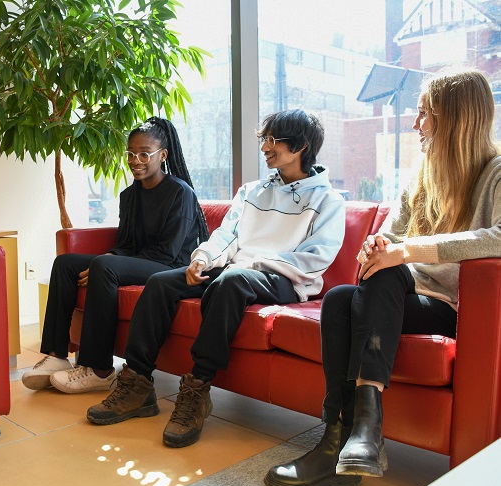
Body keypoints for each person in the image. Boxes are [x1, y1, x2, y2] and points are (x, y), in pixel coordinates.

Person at [264, 68, 501, 486]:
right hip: (394, 300)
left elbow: (498, 236)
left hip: (447, 308)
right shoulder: (421, 177)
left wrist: (405, 251)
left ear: (455, 118)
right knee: (338, 299)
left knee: (387, 272)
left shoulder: (496, 173)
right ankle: (339, 442)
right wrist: (374, 247)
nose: (415, 123)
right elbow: (389, 236)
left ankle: (367, 428)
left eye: (424, 113)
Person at [86, 109, 346, 448]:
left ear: (300, 146)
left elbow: (315, 259)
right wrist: (202, 259)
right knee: (163, 281)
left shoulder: (328, 199)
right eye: (263, 139)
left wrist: (254, 265)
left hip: (284, 280)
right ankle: (137, 384)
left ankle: (197, 390)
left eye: (272, 140)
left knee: (233, 279)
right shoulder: (252, 190)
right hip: (235, 271)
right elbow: (226, 235)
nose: (264, 147)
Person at [22, 117, 210, 393]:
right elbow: (126, 244)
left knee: (105, 265)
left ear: (163, 156)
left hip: (169, 268)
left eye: (145, 154)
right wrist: (111, 256)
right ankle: (56, 355)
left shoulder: (180, 194)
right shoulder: (129, 196)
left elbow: (168, 253)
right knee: (65, 264)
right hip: (143, 262)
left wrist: (110, 263)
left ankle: (98, 369)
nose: (136, 160)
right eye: (131, 154)